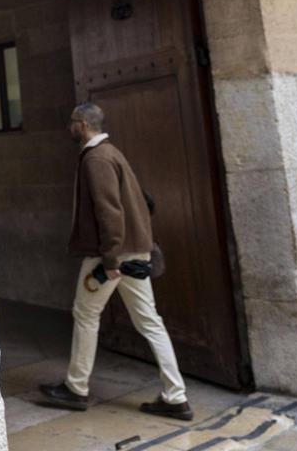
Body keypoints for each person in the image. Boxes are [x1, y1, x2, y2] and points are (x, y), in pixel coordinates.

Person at [38, 102, 194, 421]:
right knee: (149, 321)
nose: (69, 127)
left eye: (72, 122)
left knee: (85, 314)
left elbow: (109, 211)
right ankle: (176, 396)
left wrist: (110, 258)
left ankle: (76, 388)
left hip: (113, 255)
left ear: (83, 124)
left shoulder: (96, 158)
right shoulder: (112, 153)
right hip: (134, 250)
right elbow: (142, 201)